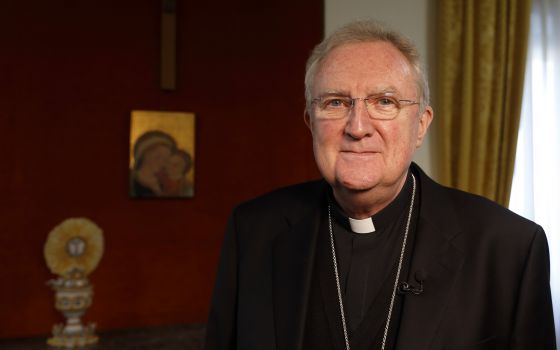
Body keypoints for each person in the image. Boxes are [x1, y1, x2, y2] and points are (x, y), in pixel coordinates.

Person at [204, 20, 556, 350]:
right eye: (336, 102)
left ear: (420, 124)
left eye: (384, 102)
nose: (357, 127)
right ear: (311, 122)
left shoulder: (509, 248)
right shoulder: (252, 232)